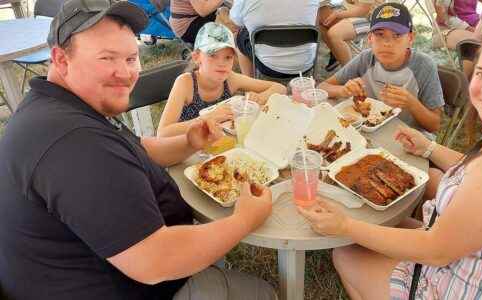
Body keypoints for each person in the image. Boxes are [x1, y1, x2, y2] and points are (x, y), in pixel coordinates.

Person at [0, 1, 277, 299]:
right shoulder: (76, 143)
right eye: (107, 58)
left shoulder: (60, 104)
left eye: (131, 58)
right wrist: (244, 220)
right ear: (61, 59)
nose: (125, 73)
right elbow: (155, 261)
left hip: (80, 270)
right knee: (264, 293)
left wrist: (189, 143)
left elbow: (138, 147)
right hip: (129, 285)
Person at [300, 21, 482, 299]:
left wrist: (345, 227)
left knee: (346, 251)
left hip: (468, 286)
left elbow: (437, 250)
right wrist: (429, 149)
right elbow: (479, 172)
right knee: (381, 222)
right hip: (481, 257)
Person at [318, 2, 445, 133]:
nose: (387, 43)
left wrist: (412, 103)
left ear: (410, 38)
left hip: (409, 137)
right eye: (379, 34)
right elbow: (322, 87)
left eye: (397, 35)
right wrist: (343, 90)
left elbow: (435, 125)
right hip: (369, 132)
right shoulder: (366, 59)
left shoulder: (423, 66)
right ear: (370, 38)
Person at [157, 22, 286, 138]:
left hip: (221, 143)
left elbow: (280, 88)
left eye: (228, 57)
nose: (221, 63)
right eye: (213, 55)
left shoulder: (230, 79)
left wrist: (259, 98)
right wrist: (207, 119)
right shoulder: (186, 83)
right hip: (188, 147)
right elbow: (163, 133)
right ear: (197, 57)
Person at [229, 0, 319, 78]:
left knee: (240, 35)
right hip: (305, 63)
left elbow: (236, 22)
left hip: (268, 66)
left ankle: (249, 85)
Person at [317, 0, 380, 71]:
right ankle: (337, 53)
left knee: (335, 33)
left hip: (370, 16)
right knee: (320, 13)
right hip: (348, 8)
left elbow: (363, 10)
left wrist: (337, 14)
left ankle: (350, 73)